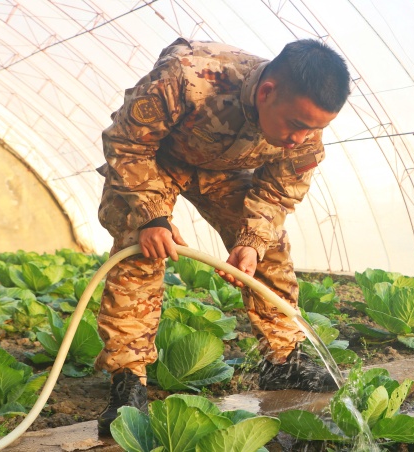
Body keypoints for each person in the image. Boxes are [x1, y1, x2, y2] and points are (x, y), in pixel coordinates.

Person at [94, 37, 351, 434]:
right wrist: (151, 217)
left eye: (314, 129)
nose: (301, 138)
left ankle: (282, 361)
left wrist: (250, 243)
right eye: (298, 125)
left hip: (221, 173)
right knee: (139, 250)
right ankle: (128, 380)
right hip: (151, 163)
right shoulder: (187, 77)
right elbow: (127, 144)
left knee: (270, 249)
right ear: (267, 92)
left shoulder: (305, 131)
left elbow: (277, 193)